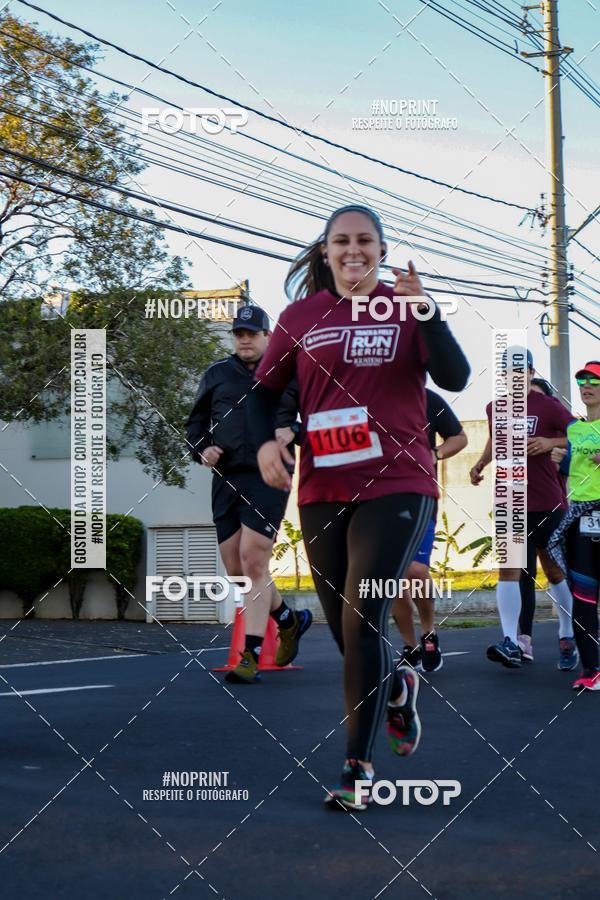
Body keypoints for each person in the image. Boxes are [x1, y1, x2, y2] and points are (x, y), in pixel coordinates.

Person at [247, 204, 469, 810]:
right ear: (325, 251)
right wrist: (272, 438)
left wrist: (426, 309)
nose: (353, 249)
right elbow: (265, 395)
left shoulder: (405, 310)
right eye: (340, 241)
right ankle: (397, 685)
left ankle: (358, 768)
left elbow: (455, 377)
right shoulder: (300, 317)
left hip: (398, 482)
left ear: (380, 248)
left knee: (362, 614)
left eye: (364, 240)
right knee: (347, 628)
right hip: (322, 488)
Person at [185, 304, 312, 684]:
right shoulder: (216, 374)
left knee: (253, 560)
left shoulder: (290, 373)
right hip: (225, 477)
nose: (243, 339)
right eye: (238, 333)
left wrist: (295, 432)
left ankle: (251, 656)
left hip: (270, 475)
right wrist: (202, 448)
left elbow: (320, 417)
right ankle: (288, 620)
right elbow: (194, 423)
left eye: (251, 334)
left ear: (268, 337)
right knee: (238, 572)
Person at [470, 350, 576, 669]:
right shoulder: (495, 407)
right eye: (507, 372)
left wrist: (549, 442)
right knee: (509, 571)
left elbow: (580, 437)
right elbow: (494, 439)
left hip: (548, 502)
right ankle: (511, 641)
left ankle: (568, 632)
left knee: (554, 571)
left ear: (530, 372)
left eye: (520, 371)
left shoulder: (548, 406)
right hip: (510, 502)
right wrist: (480, 463)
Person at [393, 389, 468, 672]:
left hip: (419, 497)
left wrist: (435, 453)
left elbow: (460, 437)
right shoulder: (368, 397)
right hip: (379, 501)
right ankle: (410, 644)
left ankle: (428, 632)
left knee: (415, 571)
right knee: (393, 579)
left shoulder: (428, 400)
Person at [548, 361, 600, 690]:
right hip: (582, 517)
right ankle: (592, 670)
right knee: (583, 597)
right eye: (582, 380)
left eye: (594, 380)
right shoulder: (575, 430)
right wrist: (561, 461)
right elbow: (571, 470)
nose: (586, 385)